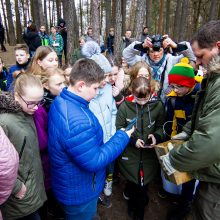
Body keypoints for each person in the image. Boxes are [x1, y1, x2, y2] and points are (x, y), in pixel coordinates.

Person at [48, 58, 134, 219]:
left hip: (71, 184)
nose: (97, 92)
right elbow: (94, 160)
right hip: (79, 193)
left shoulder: (62, 99)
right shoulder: (78, 122)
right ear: (81, 85)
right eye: (95, 88)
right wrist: (122, 136)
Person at [161, 20, 220, 220]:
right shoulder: (214, 77)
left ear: (217, 46)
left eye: (201, 56)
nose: (199, 63)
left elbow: (209, 141)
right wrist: (187, 131)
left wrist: (172, 159)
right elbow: (204, 117)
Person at [116, 76, 165, 220]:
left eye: (146, 99)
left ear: (151, 93)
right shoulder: (125, 106)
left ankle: (139, 211)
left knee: (143, 186)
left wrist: (156, 136)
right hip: (130, 154)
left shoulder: (158, 106)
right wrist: (132, 140)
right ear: (132, 92)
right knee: (133, 181)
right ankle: (132, 202)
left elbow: (161, 126)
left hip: (149, 156)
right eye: (139, 99)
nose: (142, 102)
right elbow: (119, 127)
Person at [0, 73, 47, 219]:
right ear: (16, 96)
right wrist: (16, 187)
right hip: (18, 196)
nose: (36, 107)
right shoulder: (5, 122)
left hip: (33, 187)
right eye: (31, 103)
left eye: (40, 102)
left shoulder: (28, 112)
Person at [162, 57, 200, 220]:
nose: (175, 89)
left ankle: (186, 204)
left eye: (179, 86)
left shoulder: (200, 96)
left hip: (195, 141)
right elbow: (170, 119)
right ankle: (177, 196)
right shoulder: (173, 97)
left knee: (190, 175)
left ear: (190, 84)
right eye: (173, 85)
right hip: (177, 137)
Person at [123, 34, 196, 103]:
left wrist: (176, 46)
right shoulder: (141, 61)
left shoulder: (173, 61)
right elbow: (126, 55)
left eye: (159, 50)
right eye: (152, 51)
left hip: (166, 103)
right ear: (147, 51)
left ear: (164, 50)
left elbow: (193, 56)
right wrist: (141, 45)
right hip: (144, 102)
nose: (156, 54)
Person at [34, 67, 66, 219]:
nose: (63, 87)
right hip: (46, 158)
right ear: (46, 85)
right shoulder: (40, 107)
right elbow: (42, 140)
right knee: (48, 188)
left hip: (55, 155)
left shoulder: (58, 100)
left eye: (64, 83)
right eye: (58, 84)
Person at [0, 126, 19, 219]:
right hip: (18, 185)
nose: (36, 109)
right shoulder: (5, 121)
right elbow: (6, 165)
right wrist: (17, 186)